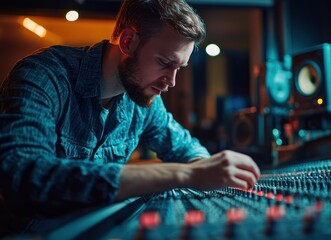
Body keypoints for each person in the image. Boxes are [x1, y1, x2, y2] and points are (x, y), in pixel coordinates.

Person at [0, 0, 260, 236]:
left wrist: (205, 169)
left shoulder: (145, 102)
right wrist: (182, 174)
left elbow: (187, 149)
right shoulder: (43, 75)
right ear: (128, 42)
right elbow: (24, 176)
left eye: (179, 68)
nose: (171, 81)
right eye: (164, 63)